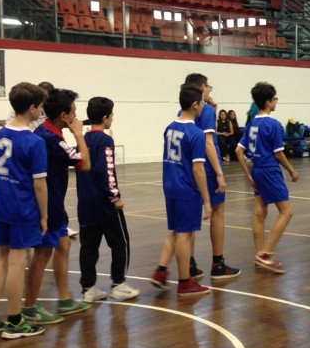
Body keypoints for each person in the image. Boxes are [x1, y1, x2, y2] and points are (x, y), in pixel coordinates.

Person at [0, 82, 48, 339]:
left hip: (0, 204)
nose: (41, 111)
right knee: (19, 262)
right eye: (40, 107)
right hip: (22, 208)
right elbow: (39, 184)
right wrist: (44, 215)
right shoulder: (34, 142)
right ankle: (15, 321)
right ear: (32, 108)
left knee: (2, 259)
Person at [22, 88, 93, 324]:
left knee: (63, 243)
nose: (76, 116)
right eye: (74, 112)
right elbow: (85, 164)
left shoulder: (48, 132)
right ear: (64, 116)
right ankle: (29, 307)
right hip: (47, 204)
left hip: (55, 202)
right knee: (42, 253)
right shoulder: (51, 139)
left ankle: (64, 298)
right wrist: (79, 134)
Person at [150, 83, 213, 297]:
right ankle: (185, 282)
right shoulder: (196, 133)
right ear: (195, 105)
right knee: (185, 234)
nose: (203, 106)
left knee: (177, 231)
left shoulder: (170, 127)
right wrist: (206, 200)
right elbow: (198, 169)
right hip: (186, 188)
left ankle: (161, 271)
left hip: (170, 185)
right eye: (202, 103)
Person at [76, 96, 139, 302]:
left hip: (86, 203)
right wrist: (115, 197)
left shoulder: (82, 139)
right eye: (111, 115)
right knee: (120, 242)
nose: (112, 119)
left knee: (89, 247)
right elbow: (108, 171)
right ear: (105, 118)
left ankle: (88, 288)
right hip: (105, 204)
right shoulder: (105, 141)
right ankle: (118, 283)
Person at [235, 81, 299, 274]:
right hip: (270, 171)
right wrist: (291, 170)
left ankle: (259, 255)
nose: (276, 102)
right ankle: (266, 253)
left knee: (259, 213)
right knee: (286, 212)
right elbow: (279, 154)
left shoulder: (252, 124)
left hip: (256, 170)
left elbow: (238, 150)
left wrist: (248, 175)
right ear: (268, 102)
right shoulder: (273, 124)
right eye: (274, 99)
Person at [187, 73, 241, 281]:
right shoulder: (206, 109)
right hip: (208, 168)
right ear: (202, 87)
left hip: (191, 168)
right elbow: (208, 142)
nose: (210, 91)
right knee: (218, 213)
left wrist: (214, 110)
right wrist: (219, 173)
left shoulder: (184, 110)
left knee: (191, 218)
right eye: (209, 87)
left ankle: (189, 264)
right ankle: (218, 264)